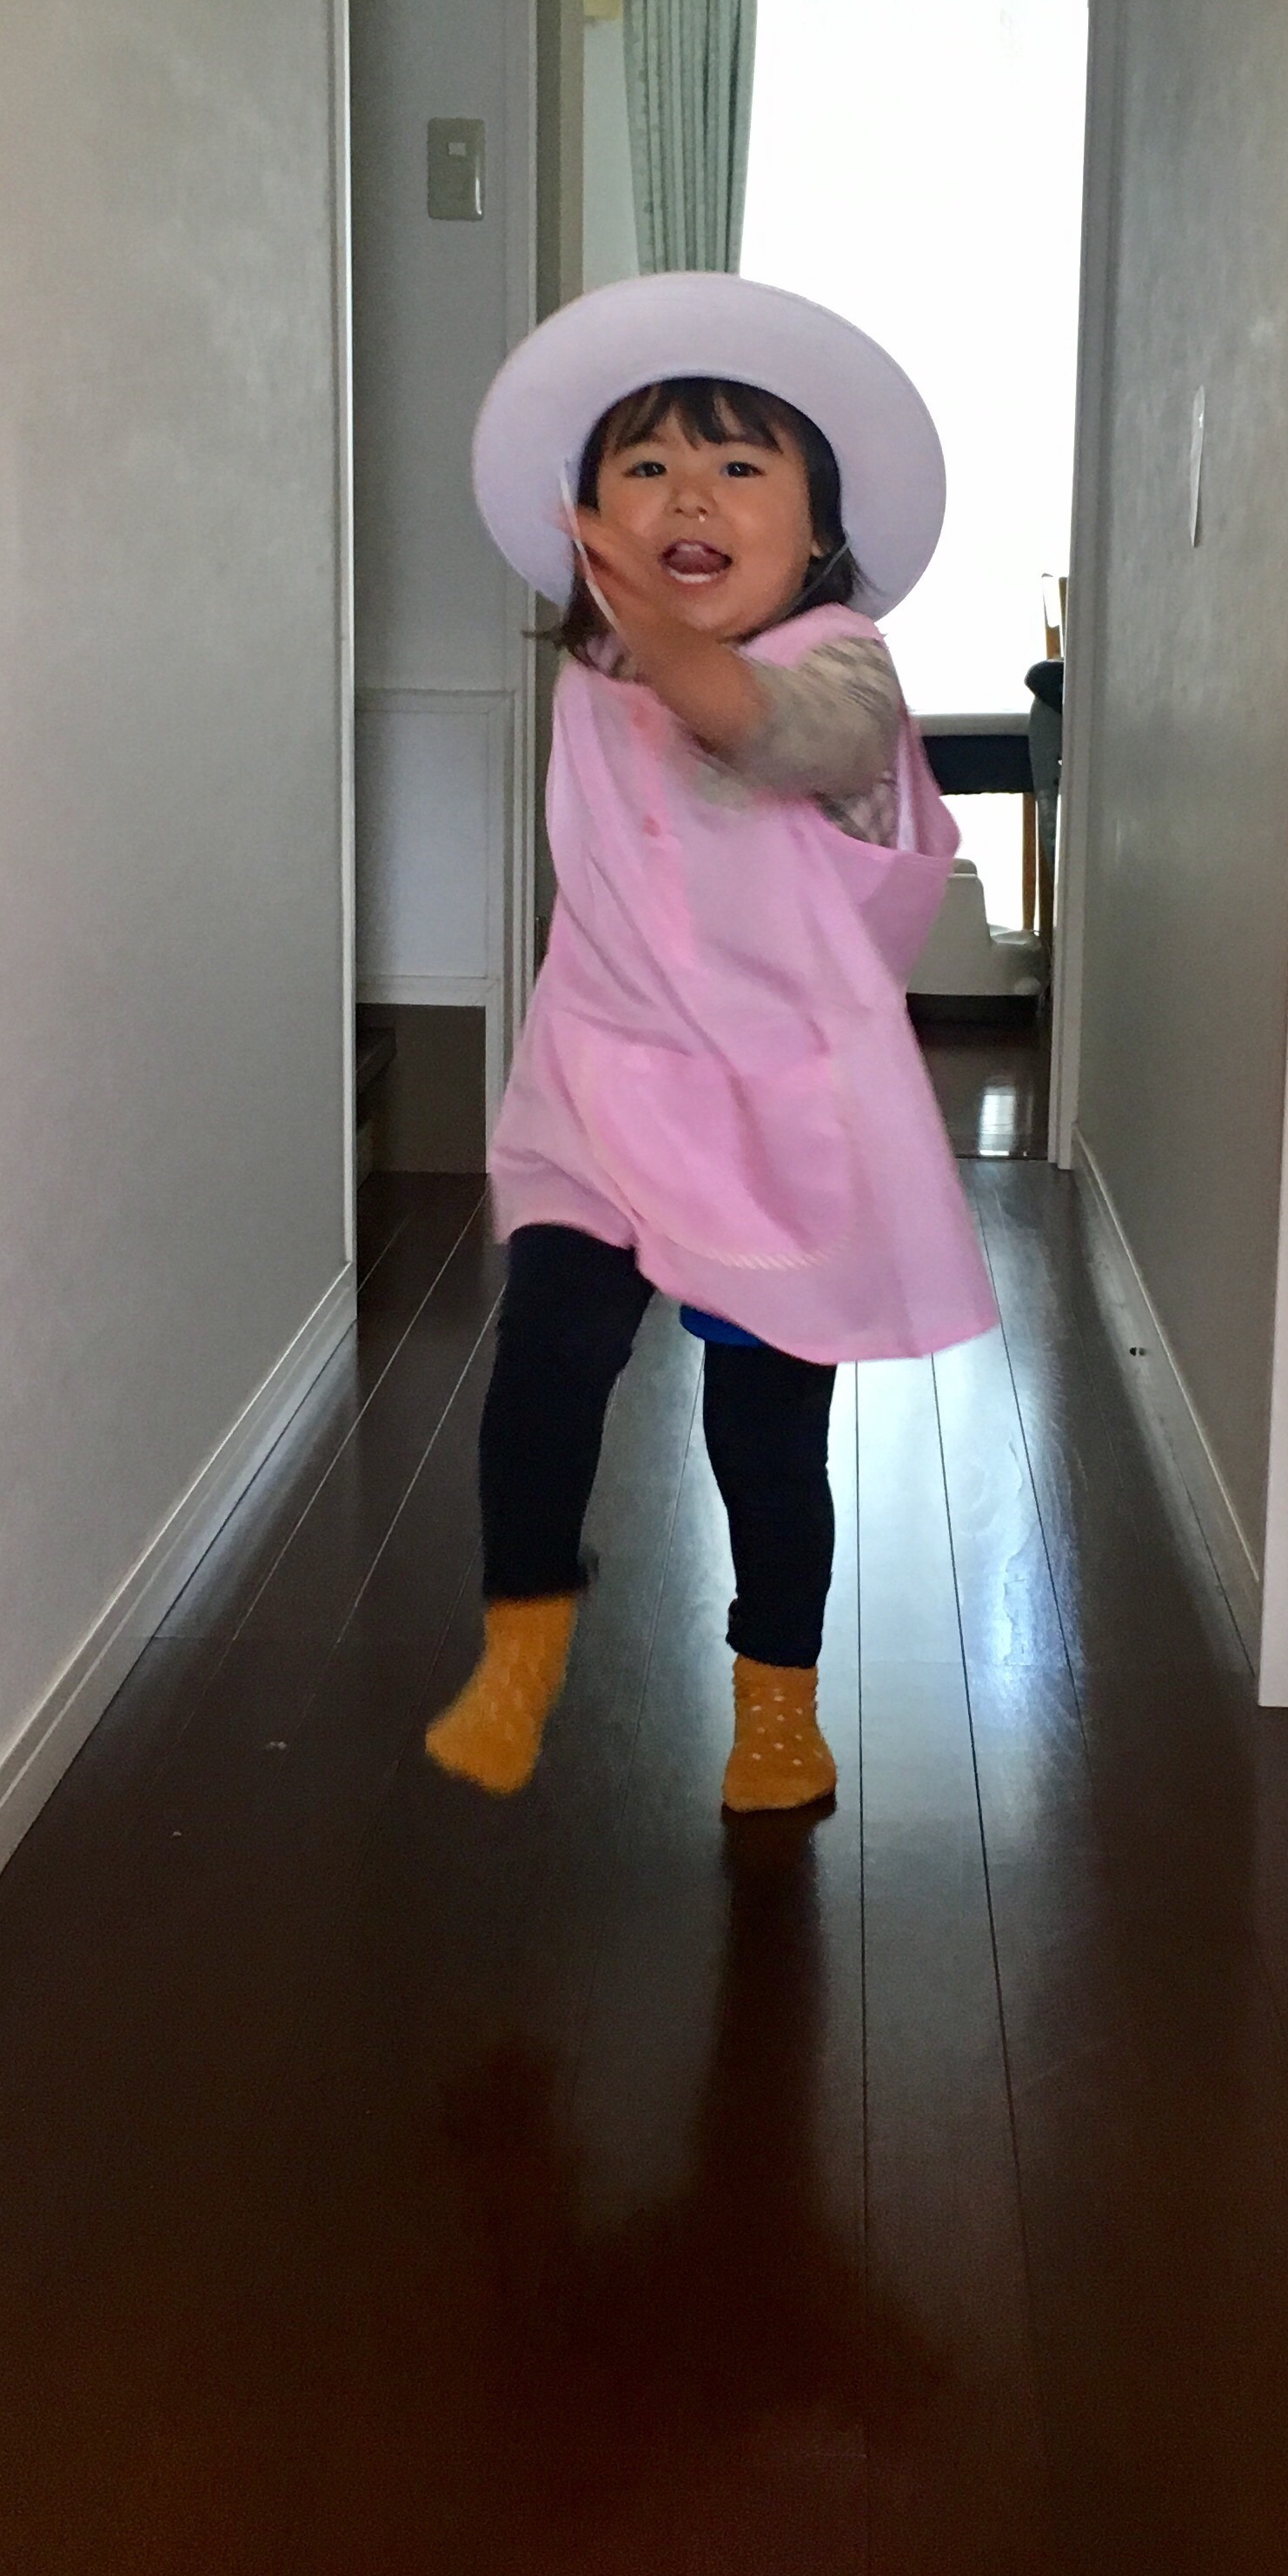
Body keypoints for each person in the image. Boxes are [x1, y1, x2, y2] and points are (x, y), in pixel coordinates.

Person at [426, 274, 997, 1816]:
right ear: (591, 520)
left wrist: (663, 635)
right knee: (548, 1362)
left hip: (777, 1118)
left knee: (765, 1431)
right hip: (603, 1087)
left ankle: (776, 1696)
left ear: (817, 534)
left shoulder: (840, 665)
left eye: (739, 464)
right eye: (647, 465)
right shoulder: (592, 674)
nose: (689, 494)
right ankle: (523, 1644)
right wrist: (630, 634)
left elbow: (775, 733)